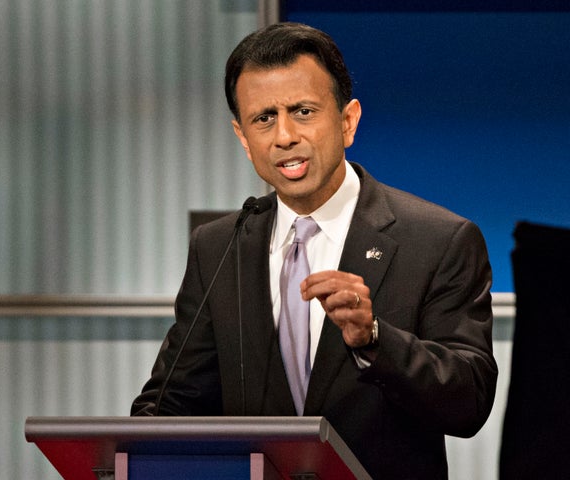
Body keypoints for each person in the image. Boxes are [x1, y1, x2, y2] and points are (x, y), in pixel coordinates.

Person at [131, 22, 497, 479]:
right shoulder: (220, 245)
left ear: (348, 121)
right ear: (243, 138)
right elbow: (173, 401)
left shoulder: (439, 240)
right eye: (263, 118)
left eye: (303, 111)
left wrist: (375, 340)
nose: (284, 136)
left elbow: (469, 403)